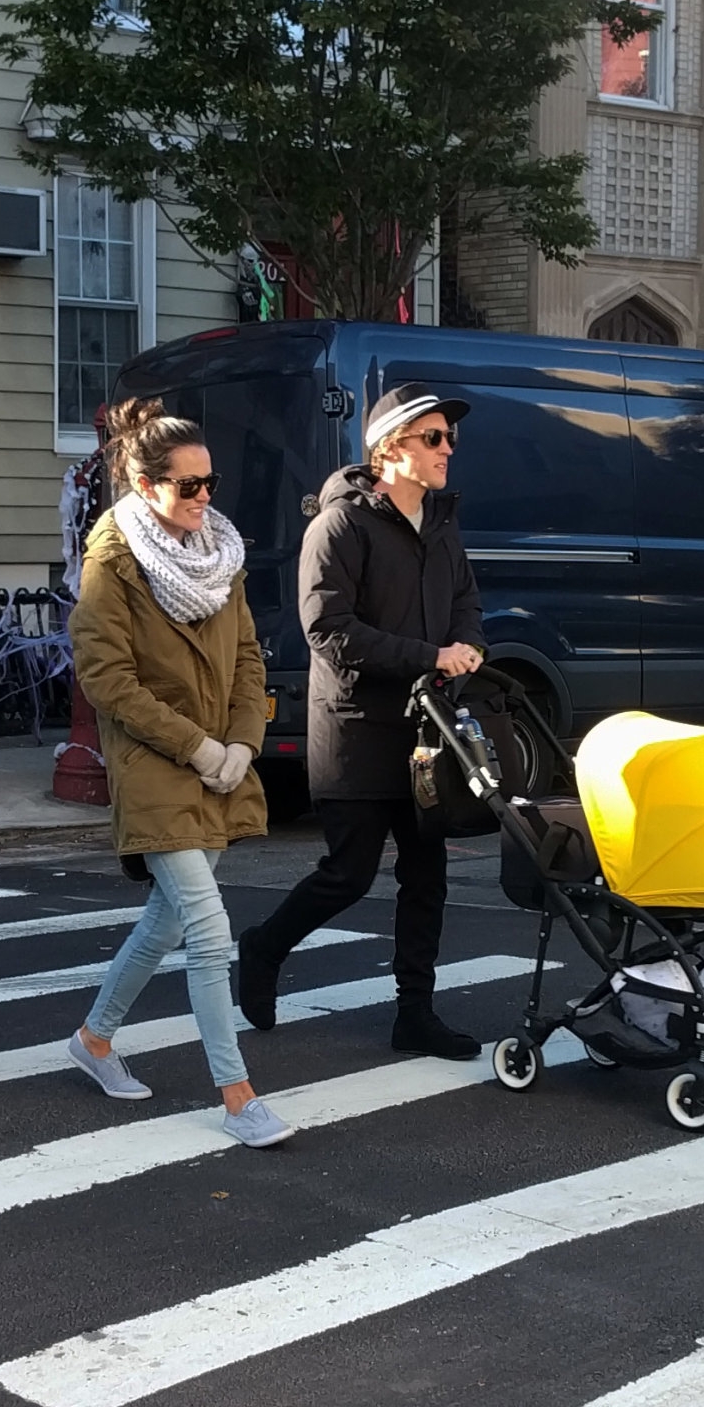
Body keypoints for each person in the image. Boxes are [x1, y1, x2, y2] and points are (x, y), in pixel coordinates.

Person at [65, 396, 295, 1147]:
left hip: (220, 762)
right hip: (154, 759)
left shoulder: (220, 554)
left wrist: (241, 743)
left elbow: (247, 658)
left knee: (166, 922)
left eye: (209, 482)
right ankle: (237, 1097)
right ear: (144, 484)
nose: (203, 497)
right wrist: (197, 747)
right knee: (205, 928)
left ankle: (93, 1041)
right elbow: (107, 679)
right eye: (187, 485)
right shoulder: (113, 563)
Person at [235, 383, 485, 1060]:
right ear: (387, 450)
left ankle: (415, 1013)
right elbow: (327, 630)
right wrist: (428, 654)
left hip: (425, 729)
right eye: (431, 438)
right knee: (348, 872)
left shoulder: (440, 521)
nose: (446, 450)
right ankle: (262, 946)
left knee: (425, 872)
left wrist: (463, 648)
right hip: (356, 727)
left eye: (448, 438)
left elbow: (465, 598)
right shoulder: (339, 525)